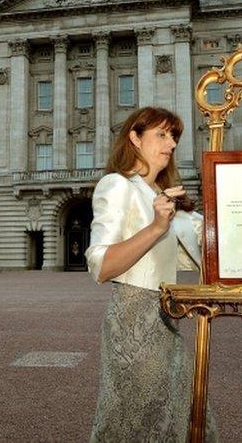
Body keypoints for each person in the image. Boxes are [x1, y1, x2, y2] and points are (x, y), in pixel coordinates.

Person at [85, 106, 217, 442]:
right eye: (161, 134)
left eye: (174, 136)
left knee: (183, 416)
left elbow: (212, 244)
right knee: (138, 421)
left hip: (167, 318)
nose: (171, 144)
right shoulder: (117, 185)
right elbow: (101, 265)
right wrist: (158, 227)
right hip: (133, 321)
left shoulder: (165, 196)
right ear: (134, 138)